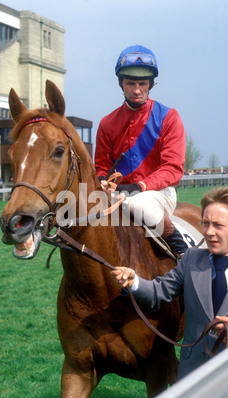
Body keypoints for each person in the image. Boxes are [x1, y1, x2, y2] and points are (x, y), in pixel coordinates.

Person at [112, 187, 228, 380]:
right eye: (205, 223)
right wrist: (135, 282)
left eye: (218, 225)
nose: (208, 232)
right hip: (192, 377)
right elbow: (160, 291)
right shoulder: (191, 259)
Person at [95, 45, 188, 255]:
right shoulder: (107, 123)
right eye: (130, 83)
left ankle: (184, 255)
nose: (137, 90)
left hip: (158, 193)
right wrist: (102, 179)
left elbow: (172, 168)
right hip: (117, 193)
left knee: (138, 204)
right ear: (121, 84)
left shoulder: (168, 117)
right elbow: (101, 166)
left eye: (142, 84)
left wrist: (138, 186)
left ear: (151, 84)